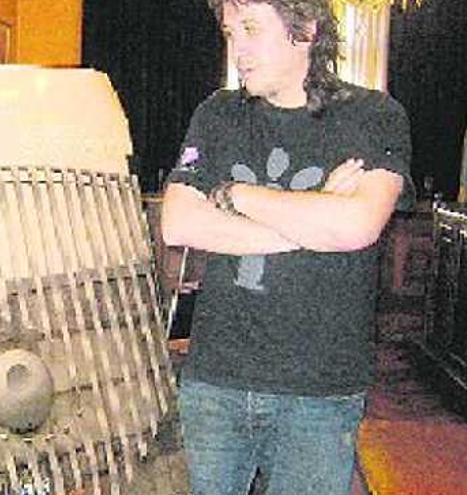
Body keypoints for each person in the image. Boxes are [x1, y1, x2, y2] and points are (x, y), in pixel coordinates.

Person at [160, 0, 414, 494]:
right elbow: (178, 223)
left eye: (252, 29)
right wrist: (316, 211)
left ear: (305, 29)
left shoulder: (374, 116)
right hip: (215, 381)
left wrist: (234, 196)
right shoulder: (218, 113)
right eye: (232, 33)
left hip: (319, 392)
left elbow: (357, 226)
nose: (238, 49)